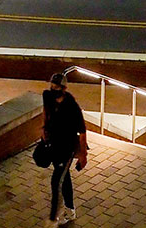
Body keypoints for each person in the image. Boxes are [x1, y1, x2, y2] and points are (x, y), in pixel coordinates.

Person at [42, 71, 88, 225]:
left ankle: (53, 217)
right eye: (52, 87)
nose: (54, 91)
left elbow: (82, 131)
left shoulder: (72, 106)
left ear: (64, 88)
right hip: (54, 144)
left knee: (56, 181)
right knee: (64, 177)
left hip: (67, 148)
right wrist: (44, 129)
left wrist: (83, 155)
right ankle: (70, 209)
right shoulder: (47, 96)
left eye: (57, 88)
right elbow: (45, 111)